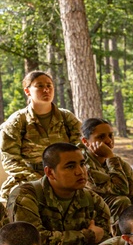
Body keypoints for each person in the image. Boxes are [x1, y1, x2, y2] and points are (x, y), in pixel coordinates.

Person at [7, 143, 112, 245]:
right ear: (50, 172)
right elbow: (31, 242)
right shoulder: (26, 196)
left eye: (82, 164)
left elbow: (104, 238)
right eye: (70, 166)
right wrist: (86, 236)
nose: (80, 171)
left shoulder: (92, 199)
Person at [0, 71, 82, 203]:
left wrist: (66, 175)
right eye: (39, 86)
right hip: (27, 178)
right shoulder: (17, 122)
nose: (46, 90)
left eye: (49, 86)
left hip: (65, 175)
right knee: (23, 201)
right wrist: (41, 180)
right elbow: (10, 160)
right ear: (27, 91)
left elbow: (81, 150)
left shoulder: (67, 118)